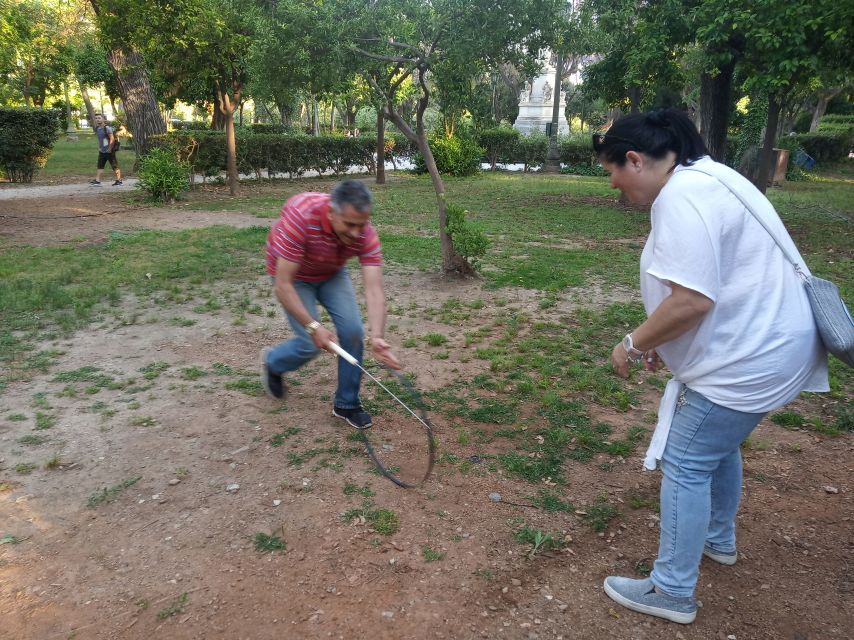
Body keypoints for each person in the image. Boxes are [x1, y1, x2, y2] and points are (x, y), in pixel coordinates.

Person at [593, 109, 828, 624]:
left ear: (635, 159)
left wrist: (632, 343)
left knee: (686, 461)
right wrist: (666, 340)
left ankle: (673, 589)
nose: (613, 183)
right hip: (771, 348)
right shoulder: (710, 177)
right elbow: (706, 291)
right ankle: (717, 538)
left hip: (754, 358)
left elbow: (693, 301)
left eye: (613, 170)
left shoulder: (681, 197)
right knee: (716, 448)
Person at [260, 179, 401, 430]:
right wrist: (314, 327)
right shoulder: (301, 215)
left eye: (361, 225)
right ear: (330, 212)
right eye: (349, 225)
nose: (356, 233)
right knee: (309, 343)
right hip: (294, 277)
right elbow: (283, 285)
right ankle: (274, 362)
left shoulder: (363, 232)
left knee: (353, 333)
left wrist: (378, 337)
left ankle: (346, 404)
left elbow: (374, 289)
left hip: (331, 272)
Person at [89, 114, 122, 186]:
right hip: (102, 151)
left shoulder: (107, 128)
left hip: (109, 151)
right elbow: (100, 139)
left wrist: (109, 149)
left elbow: (112, 139)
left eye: (99, 118)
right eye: (96, 118)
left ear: (103, 119)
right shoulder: (97, 128)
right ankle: (97, 181)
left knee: (114, 166)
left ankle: (119, 181)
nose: (97, 119)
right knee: (100, 166)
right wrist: (100, 147)